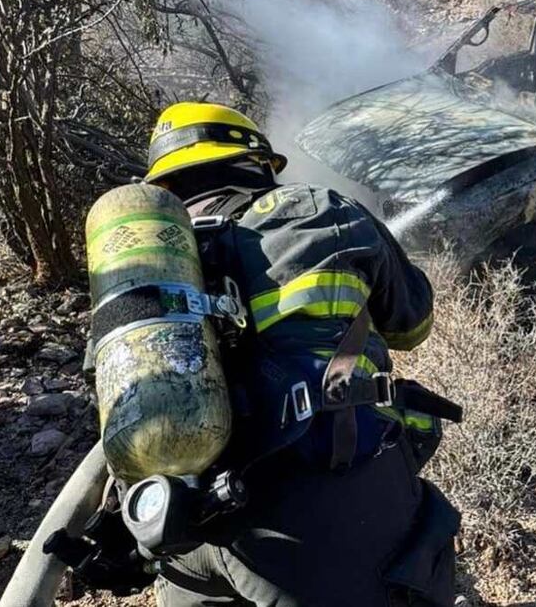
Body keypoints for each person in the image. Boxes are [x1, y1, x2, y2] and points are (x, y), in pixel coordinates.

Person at [118, 102, 459, 606]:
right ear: (257, 163)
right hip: (309, 517)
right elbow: (413, 326)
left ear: (164, 187)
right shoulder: (322, 209)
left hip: (179, 522)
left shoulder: (143, 262)